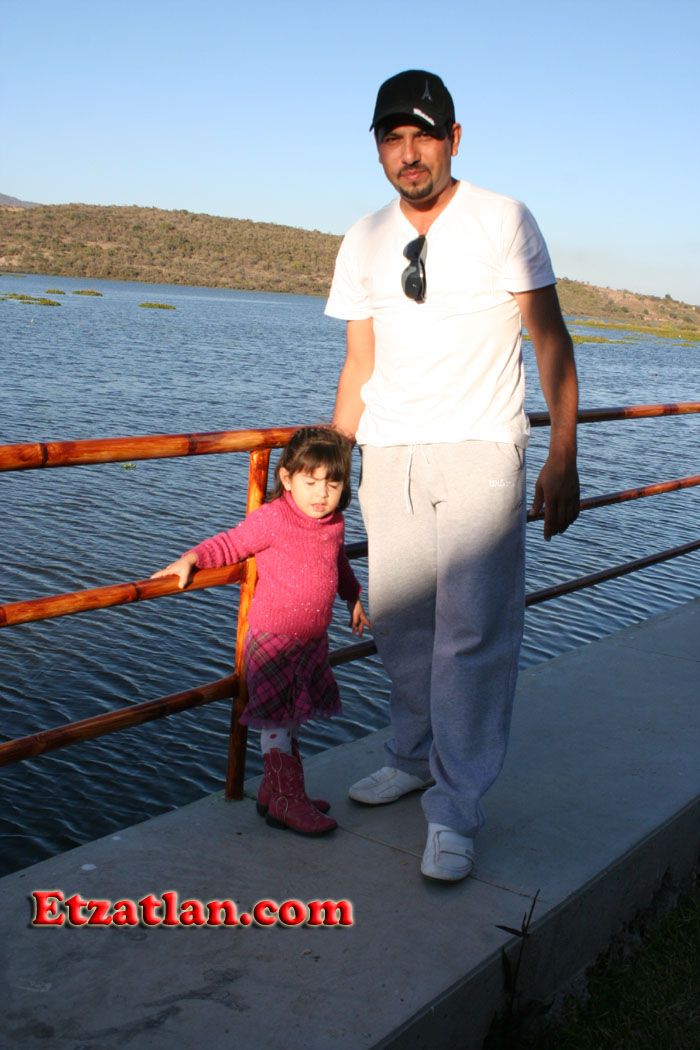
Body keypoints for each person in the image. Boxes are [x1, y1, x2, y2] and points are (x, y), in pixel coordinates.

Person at [325, 69, 579, 880]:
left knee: (471, 636)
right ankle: (410, 755)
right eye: (393, 139)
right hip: (389, 453)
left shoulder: (504, 218)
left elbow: (551, 338)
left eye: (424, 136)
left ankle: (456, 808)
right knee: (401, 627)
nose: (409, 154)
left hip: (479, 450)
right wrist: (332, 465)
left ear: (454, 140)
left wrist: (564, 453)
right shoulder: (362, 237)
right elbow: (359, 362)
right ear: (378, 149)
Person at [151, 426, 370, 837]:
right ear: (287, 478)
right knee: (276, 721)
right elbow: (230, 544)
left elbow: (337, 563)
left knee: (291, 719)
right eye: (310, 482)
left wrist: (352, 597)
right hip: (273, 642)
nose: (321, 494)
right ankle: (288, 800)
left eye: (333, 484)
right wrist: (192, 558)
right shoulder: (274, 518)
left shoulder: (333, 523)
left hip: (311, 641)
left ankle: (277, 793)